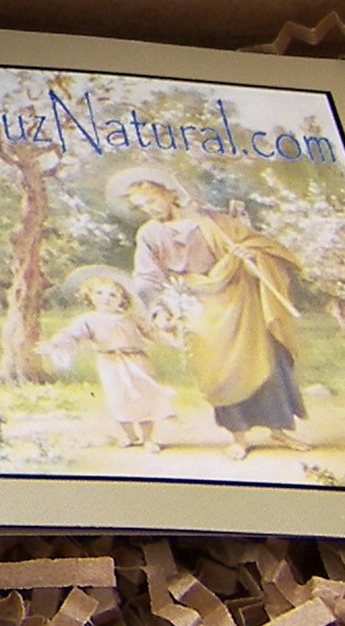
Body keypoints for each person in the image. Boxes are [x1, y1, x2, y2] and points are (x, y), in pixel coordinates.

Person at [111, 167, 305, 456]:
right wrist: (159, 308)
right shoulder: (149, 234)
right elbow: (147, 277)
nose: (149, 209)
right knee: (218, 371)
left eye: (152, 201)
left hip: (240, 299)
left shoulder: (212, 221)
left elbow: (258, 245)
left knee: (265, 362)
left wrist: (251, 255)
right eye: (142, 206)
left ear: (168, 194)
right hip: (197, 304)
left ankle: (279, 431)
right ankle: (238, 437)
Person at [44, 272, 176, 449]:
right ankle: (130, 436)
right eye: (99, 293)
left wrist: (171, 335)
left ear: (122, 300)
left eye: (112, 295)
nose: (106, 298)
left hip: (137, 361)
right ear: (90, 296)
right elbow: (72, 336)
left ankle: (148, 439)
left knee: (143, 398)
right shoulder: (88, 320)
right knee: (118, 398)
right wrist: (57, 343)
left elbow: (153, 333)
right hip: (110, 363)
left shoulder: (131, 318)